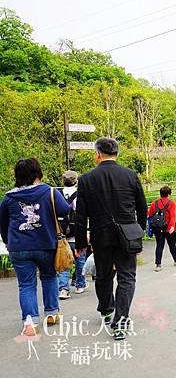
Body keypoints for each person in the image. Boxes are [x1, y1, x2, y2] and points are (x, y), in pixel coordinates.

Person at [74, 137, 147, 341]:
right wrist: (139, 234)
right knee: (127, 277)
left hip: (101, 236)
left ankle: (107, 310)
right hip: (127, 236)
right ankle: (121, 322)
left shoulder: (87, 179)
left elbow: (81, 215)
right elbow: (142, 208)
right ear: (117, 153)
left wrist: (80, 243)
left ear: (98, 154)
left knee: (103, 275)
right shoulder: (131, 175)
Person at [0, 158, 70, 336]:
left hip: (19, 247)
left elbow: (2, 222)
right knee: (48, 277)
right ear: (38, 173)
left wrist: (7, 240)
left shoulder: (9, 197)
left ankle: (30, 323)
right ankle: (51, 313)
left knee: (26, 285)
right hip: (45, 243)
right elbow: (64, 210)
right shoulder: (49, 191)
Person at [58, 170, 88, 299]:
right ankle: (79, 285)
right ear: (76, 181)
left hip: (62, 235)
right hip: (77, 234)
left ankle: (63, 289)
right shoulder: (80, 195)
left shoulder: (57, 194)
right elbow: (84, 215)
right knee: (80, 260)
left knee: (65, 262)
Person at [148, 185, 176, 272]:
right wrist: (171, 227)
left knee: (159, 245)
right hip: (168, 227)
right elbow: (173, 216)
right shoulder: (171, 203)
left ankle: (158, 265)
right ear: (169, 194)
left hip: (158, 228)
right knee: (172, 245)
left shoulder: (154, 203)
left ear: (160, 194)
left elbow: (150, 214)